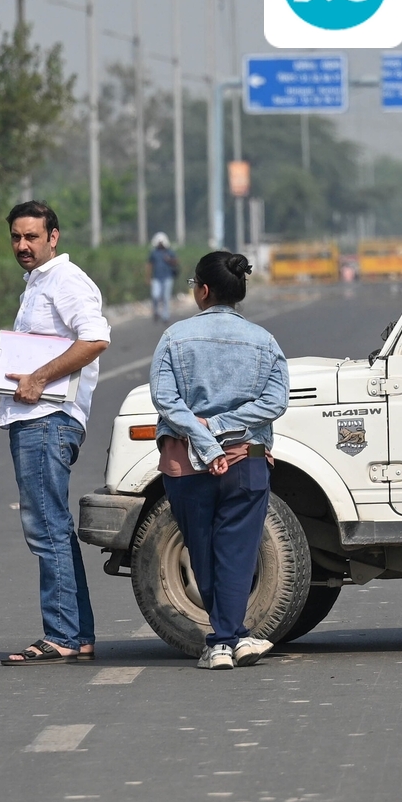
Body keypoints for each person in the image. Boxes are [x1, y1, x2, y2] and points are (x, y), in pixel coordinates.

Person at [149, 252, 288, 670]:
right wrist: (226, 426)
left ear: (203, 290)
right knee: (237, 552)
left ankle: (224, 641)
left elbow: (165, 400)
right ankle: (235, 638)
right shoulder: (264, 341)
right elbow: (276, 402)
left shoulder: (175, 337)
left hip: (187, 464)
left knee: (202, 549)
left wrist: (204, 434)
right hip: (246, 460)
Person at [0, 201, 110, 667]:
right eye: (17, 238)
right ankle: (77, 633)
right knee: (52, 527)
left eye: (32, 237)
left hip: (48, 419)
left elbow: (95, 337)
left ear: (54, 237)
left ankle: (61, 633)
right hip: (35, 419)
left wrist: (39, 377)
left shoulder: (65, 280)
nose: (23, 246)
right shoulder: (38, 283)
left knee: (45, 527)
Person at [148, 232, 180, 324]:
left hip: (167, 277)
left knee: (166, 297)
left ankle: (165, 316)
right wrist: (148, 277)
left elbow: (176, 261)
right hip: (156, 278)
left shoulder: (169, 252)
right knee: (155, 296)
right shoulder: (154, 253)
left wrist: (169, 260)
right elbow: (149, 265)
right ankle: (156, 312)